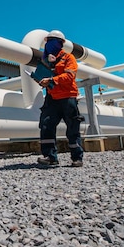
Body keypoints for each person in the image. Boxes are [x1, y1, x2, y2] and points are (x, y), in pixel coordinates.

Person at [36, 30, 84, 167]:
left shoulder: (68, 58)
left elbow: (70, 76)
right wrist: (41, 80)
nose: (49, 44)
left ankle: (77, 158)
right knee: (46, 125)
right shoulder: (46, 60)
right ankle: (50, 157)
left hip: (68, 97)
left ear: (60, 43)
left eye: (52, 41)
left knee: (73, 127)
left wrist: (51, 79)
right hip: (52, 97)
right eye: (47, 42)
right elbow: (45, 75)